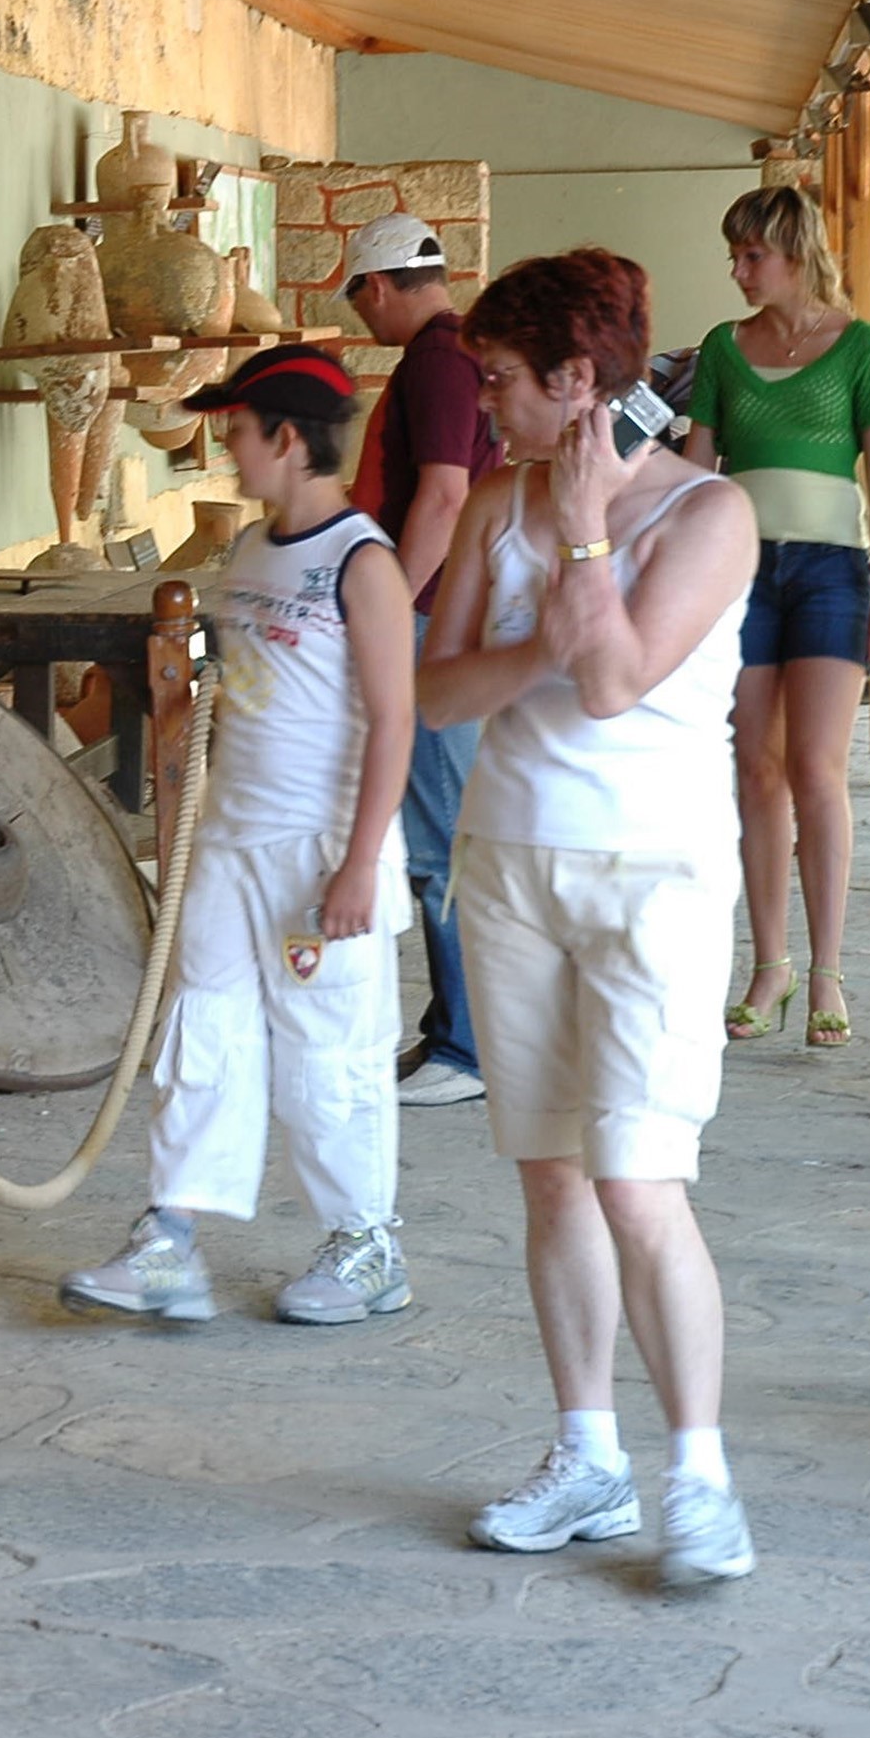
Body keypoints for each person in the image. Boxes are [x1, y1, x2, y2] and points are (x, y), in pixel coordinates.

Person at [417, 248, 762, 1585]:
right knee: (550, 1169)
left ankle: (700, 1472)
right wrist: (534, 646)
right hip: (509, 863)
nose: (484, 406)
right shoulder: (494, 500)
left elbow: (613, 682)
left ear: (575, 380)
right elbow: (441, 691)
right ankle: (587, 1455)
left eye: (500, 380)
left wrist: (578, 533)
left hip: (654, 877)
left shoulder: (708, 516)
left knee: (635, 1176)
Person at [61, 346, 417, 1327]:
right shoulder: (255, 549)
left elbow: (395, 719)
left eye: (239, 432)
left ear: (289, 439)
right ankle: (172, 1239)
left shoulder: (363, 562)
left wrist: (357, 862)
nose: (229, 449)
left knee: (328, 1051)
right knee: (203, 1029)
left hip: (321, 848)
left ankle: (366, 1243)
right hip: (233, 840)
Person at [684, 186, 870, 1048]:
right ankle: (769, 966)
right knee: (756, 769)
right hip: (738, 572)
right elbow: (698, 475)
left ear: (794, 252)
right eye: (735, 254)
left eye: (751, 255)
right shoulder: (721, 348)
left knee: (817, 768)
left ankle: (827, 973)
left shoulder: (863, 347)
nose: (738, 270)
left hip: (831, 574)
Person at [341, 213, 500, 1110]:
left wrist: (388, 606)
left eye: (359, 299)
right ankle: (458, 1031)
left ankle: (467, 1048)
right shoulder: (452, 353)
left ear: (376, 286)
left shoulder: (436, 359)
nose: (364, 315)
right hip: (440, 614)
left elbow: (442, 493)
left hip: (428, 619)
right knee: (441, 831)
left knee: (442, 838)